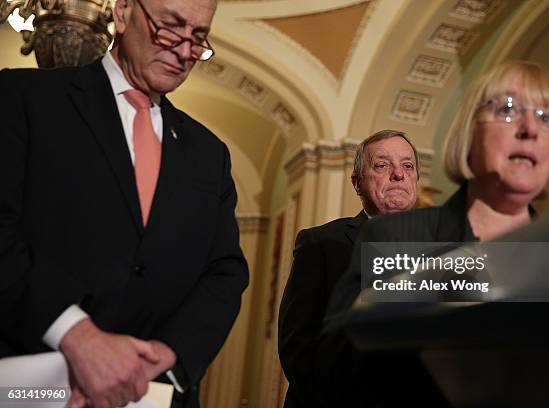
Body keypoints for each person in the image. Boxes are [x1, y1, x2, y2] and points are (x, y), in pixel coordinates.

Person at [0, 0, 248, 407]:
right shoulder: (23, 98)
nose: (185, 52)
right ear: (122, 13)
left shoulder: (210, 153)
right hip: (30, 386)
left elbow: (224, 272)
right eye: (169, 28)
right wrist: (75, 334)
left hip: (151, 393)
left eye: (199, 38)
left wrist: (162, 359)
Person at [326, 60, 549, 317]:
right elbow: (340, 351)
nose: (531, 128)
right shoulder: (394, 239)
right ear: (469, 131)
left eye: (547, 117)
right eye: (507, 109)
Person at [279, 130, 450, 407]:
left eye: (408, 166)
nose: (399, 174)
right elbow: (298, 346)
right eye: (383, 165)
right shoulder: (321, 243)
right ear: (357, 183)